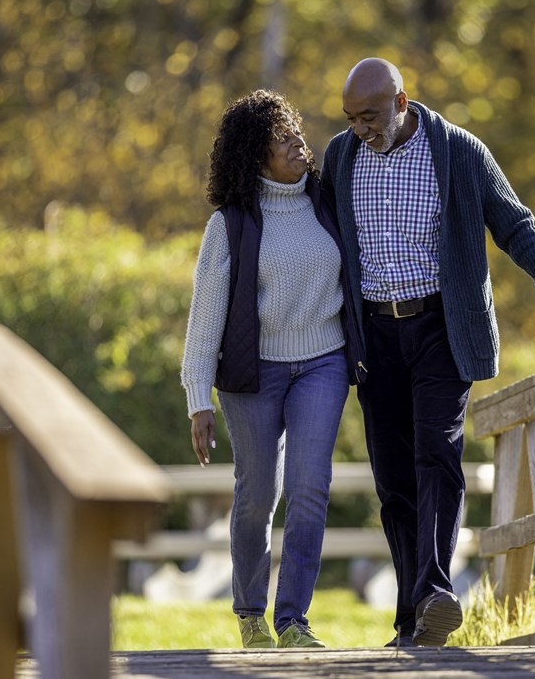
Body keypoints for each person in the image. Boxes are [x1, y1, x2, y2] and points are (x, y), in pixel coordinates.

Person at [320, 58, 535, 647]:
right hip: (374, 336)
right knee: (393, 481)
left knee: (437, 457)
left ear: (401, 103)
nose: (359, 128)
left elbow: (513, 222)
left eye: (369, 115)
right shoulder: (341, 157)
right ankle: (411, 618)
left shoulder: (460, 151)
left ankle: (434, 593)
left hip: (442, 330)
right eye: (350, 117)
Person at [181, 89, 365, 650]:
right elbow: (205, 318)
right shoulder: (231, 225)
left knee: (309, 489)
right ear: (255, 157)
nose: (299, 145)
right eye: (283, 140)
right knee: (258, 494)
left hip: (323, 364)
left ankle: (293, 621)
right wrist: (198, 399)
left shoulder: (325, 201)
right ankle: (250, 614)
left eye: (296, 134)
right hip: (253, 376)